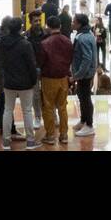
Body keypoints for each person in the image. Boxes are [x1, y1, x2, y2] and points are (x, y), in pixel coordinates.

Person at [0, 17, 40, 150]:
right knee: (27, 110)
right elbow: (31, 65)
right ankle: (30, 141)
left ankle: (6, 142)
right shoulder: (25, 44)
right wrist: (33, 81)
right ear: (21, 28)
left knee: (8, 110)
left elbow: (1, 62)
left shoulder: (2, 43)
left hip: (9, 82)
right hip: (25, 82)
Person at [37, 14, 73, 145]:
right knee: (62, 107)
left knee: (48, 107)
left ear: (48, 27)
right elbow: (70, 59)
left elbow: (40, 62)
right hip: (63, 78)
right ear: (60, 26)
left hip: (48, 78)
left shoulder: (45, 43)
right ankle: (64, 135)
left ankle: (50, 135)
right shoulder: (68, 41)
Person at [70, 13, 97, 137]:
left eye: (74, 22)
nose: (72, 23)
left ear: (80, 24)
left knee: (85, 99)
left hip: (84, 74)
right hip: (85, 73)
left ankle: (89, 125)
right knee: (82, 96)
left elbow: (87, 59)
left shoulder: (83, 38)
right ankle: (83, 120)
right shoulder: (87, 34)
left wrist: (77, 75)